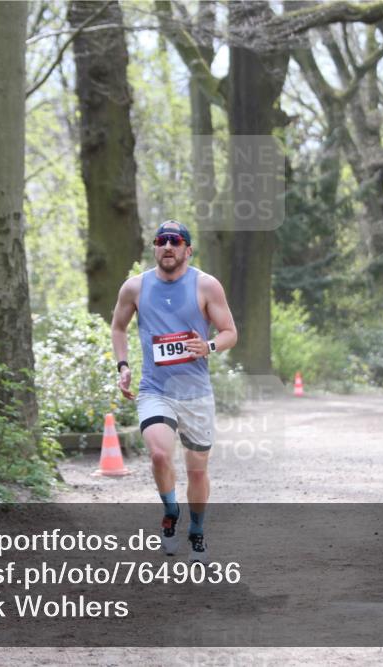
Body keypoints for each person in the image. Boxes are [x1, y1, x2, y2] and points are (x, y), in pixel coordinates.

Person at [110, 220, 237, 562]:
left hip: (195, 393)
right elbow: (118, 327)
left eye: (175, 241)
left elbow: (229, 332)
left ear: (187, 249)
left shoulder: (206, 285)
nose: (167, 246)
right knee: (160, 454)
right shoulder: (135, 288)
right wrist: (123, 366)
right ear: (154, 248)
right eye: (160, 240)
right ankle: (170, 511)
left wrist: (207, 346)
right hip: (156, 389)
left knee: (197, 471)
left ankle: (196, 530)